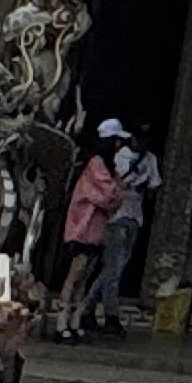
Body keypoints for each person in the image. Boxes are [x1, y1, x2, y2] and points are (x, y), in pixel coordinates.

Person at [90, 121, 159, 338]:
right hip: (116, 217)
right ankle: (111, 315)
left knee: (116, 268)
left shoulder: (150, 159)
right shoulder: (119, 157)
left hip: (134, 216)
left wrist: (144, 189)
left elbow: (154, 187)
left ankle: (86, 307)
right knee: (113, 269)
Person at [54, 140, 121, 343]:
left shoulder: (108, 168)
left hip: (96, 230)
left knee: (84, 276)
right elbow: (108, 193)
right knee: (75, 273)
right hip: (82, 229)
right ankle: (61, 323)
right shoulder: (96, 164)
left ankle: (75, 321)